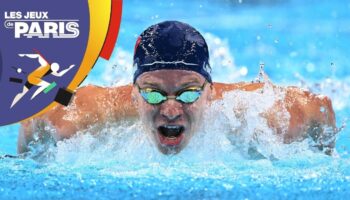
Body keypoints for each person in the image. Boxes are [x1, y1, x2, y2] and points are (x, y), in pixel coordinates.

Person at [18, 21, 337, 156]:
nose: (170, 110)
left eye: (188, 94)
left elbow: (319, 107)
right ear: (133, 93)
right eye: (154, 94)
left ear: (211, 92)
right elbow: (34, 117)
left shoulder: (262, 114)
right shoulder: (92, 113)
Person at [10, 53, 75, 108]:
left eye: (53, 70)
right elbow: (38, 56)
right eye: (52, 70)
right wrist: (25, 54)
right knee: (50, 85)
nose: (52, 71)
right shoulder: (45, 64)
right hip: (33, 78)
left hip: (34, 79)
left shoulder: (52, 70)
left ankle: (12, 105)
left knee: (22, 93)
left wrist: (69, 68)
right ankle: (35, 96)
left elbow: (59, 74)